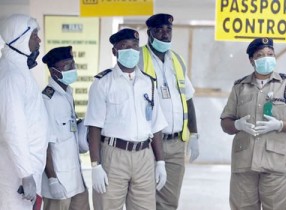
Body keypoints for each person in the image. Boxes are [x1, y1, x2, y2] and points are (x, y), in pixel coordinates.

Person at [84, 28, 168, 210]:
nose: (131, 50)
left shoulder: (148, 82)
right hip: (114, 156)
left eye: (134, 46)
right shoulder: (103, 83)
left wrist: (160, 162)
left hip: (144, 156)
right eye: (124, 46)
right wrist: (95, 166)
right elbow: (94, 128)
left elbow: (156, 126)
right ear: (115, 51)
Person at [220, 37, 286, 210]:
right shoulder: (240, 87)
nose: (267, 58)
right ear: (252, 60)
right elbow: (225, 121)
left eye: (270, 54)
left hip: (276, 164)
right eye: (260, 55)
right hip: (244, 165)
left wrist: (280, 125)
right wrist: (237, 125)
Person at [138, 13, 200, 210]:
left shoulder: (177, 60)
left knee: (169, 201)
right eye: (159, 30)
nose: (165, 34)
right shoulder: (138, 58)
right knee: (145, 198)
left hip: (175, 144)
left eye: (168, 30)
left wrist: (194, 133)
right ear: (150, 33)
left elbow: (188, 98)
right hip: (146, 143)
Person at [0, 14, 48, 210]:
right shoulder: (11, 75)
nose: (39, 40)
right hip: (17, 174)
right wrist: (25, 173)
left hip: (26, 168)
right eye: (34, 35)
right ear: (19, 38)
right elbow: (13, 128)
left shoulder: (18, 70)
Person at [41, 46, 90, 210]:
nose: (73, 69)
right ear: (54, 72)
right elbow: (45, 143)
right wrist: (52, 180)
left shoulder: (67, 92)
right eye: (67, 66)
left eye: (73, 64)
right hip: (58, 180)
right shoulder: (47, 99)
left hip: (76, 176)